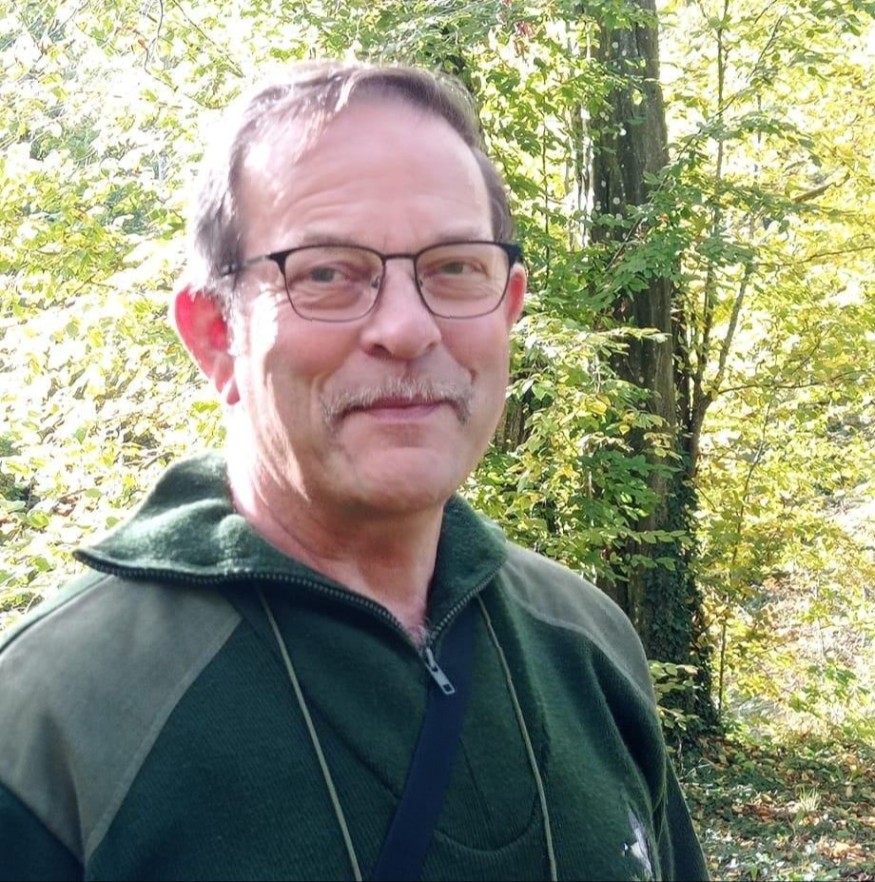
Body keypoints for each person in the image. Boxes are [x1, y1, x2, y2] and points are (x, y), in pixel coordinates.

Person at [0, 61, 708, 881]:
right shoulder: (54, 723)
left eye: (454, 267)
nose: (406, 329)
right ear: (216, 335)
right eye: (327, 273)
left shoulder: (585, 641)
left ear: (508, 306)